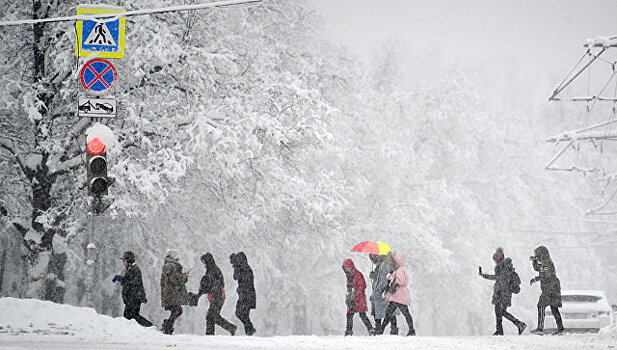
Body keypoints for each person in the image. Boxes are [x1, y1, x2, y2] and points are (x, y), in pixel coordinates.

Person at [479, 247, 526, 336]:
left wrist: (485, 276)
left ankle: (519, 324)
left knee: (501, 311)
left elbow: (500, 279)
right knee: (498, 311)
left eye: (495, 260)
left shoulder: (504, 267)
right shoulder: (503, 267)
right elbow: (500, 279)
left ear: (499, 258)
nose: (495, 262)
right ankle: (500, 330)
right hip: (500, 292)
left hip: (503, 293)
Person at [196, 253, 237, 335]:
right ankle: (232, 328)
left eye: (205, 261)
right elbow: (208, 284)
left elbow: (218, 283)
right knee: (215, 317)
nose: (204, 264)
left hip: (218, 297)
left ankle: (210, 334)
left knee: (210, 316)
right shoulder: (210, 270)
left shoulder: (214, 270)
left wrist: (210, 287)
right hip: (215, 297)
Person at [376, 251, 416, 336]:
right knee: (396, 313)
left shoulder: (400, 270)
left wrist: (391, 278)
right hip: (398, 296)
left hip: (399, 295)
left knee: (392, 313)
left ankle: (381, 330)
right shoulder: (401, 269)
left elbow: (399, 281)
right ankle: (411, 330)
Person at [112, 251, 153, 327]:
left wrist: (121, 279)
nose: (123, 262)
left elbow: (132, 283)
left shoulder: (134, 269)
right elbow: (129, 282)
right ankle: (149, 327)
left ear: (128, 260)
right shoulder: (131, 269)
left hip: (133, 298)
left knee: (131, 317)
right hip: (132, 298)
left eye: (124, 260)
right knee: (131, 317)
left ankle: (151, 327)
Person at [530, 245, 564, 335]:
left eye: (537, 254)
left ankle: (540, 328)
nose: (536, 256)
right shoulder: (546, 263)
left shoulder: (547, 264)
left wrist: (536, 279)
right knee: (554, 308)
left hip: (550, 288)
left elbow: (547, 275)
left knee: (541, 305)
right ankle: (560, 329)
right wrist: (534, 261)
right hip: (553, 288)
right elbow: (538, 268)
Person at [160, 249, 189, 335]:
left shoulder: (168, 265)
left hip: (169, 293)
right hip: (172, 294)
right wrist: (184, 276)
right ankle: (168, 326)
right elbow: (175, 279)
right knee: (176, 310)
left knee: (177, 310)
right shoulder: (171, 266)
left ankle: (167, 324)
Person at [342, 258, 374, 336]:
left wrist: (356, 294)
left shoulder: (358, 274)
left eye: (348, 267)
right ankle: (349, 331)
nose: (347, 269)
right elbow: (349, 287)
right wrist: (349, 295)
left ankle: (371, 329)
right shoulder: (349, 276)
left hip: (359, 298)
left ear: (351, 266)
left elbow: (362, 286)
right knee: (349, 314)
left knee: (362, 314)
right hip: (351, 298)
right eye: (345, 267)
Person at [368, 254, 399, 335]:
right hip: (384, 291)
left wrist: (378, 290)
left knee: (382, 309)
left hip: (383, 291)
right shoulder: (381, 265)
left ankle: (379, 328)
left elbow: (383, 279)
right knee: (389, 310)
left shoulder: (385, 265)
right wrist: (374, 276)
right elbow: (379, 278)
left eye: (373, 257)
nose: (372, 259)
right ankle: (392, 328)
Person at [231, 252, 257, 335]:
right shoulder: (242, 268)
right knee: (241, 313)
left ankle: (249, 330)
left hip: (247, 295)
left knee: (241, 313)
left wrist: (236, 267)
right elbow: (235, 277)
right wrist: (235, 266)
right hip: (245, 295)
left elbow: (238, 277)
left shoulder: (246, 269)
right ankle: (249, 330)